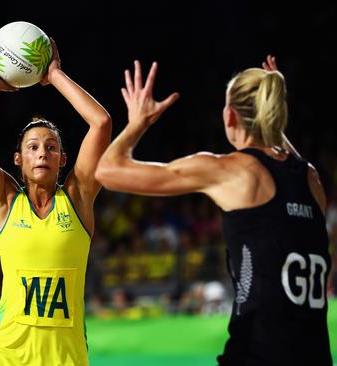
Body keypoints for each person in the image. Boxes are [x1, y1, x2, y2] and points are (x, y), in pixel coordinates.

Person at [95, 56, 332, 365]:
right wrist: (274, 107)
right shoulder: (311, 180)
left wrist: (138, 123)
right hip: (315, 355)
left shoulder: (231, 171)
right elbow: (291, 165)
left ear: (229, 116)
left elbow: (108, 171)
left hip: (258, 353)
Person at [0, 39, 111, 365]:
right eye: (33, 147)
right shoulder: (5, 200)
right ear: (18, 159)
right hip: (4, 356)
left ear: (63, 159)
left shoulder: (78, 198)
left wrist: (54, 74)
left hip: (65, 358)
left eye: (51, 147)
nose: (43, 152)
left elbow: (101, 123)